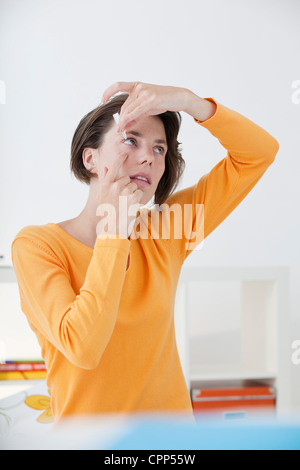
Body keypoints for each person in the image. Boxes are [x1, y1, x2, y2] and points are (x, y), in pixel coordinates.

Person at [11, 82, 279, 422]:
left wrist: (189, 102)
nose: (147, 158)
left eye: (159, 149)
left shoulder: (168, 229)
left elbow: (260, 153)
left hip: (172, 444)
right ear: (90, 158)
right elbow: (84, 347)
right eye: (130, 139)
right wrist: (113, 235)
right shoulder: (38, 246)